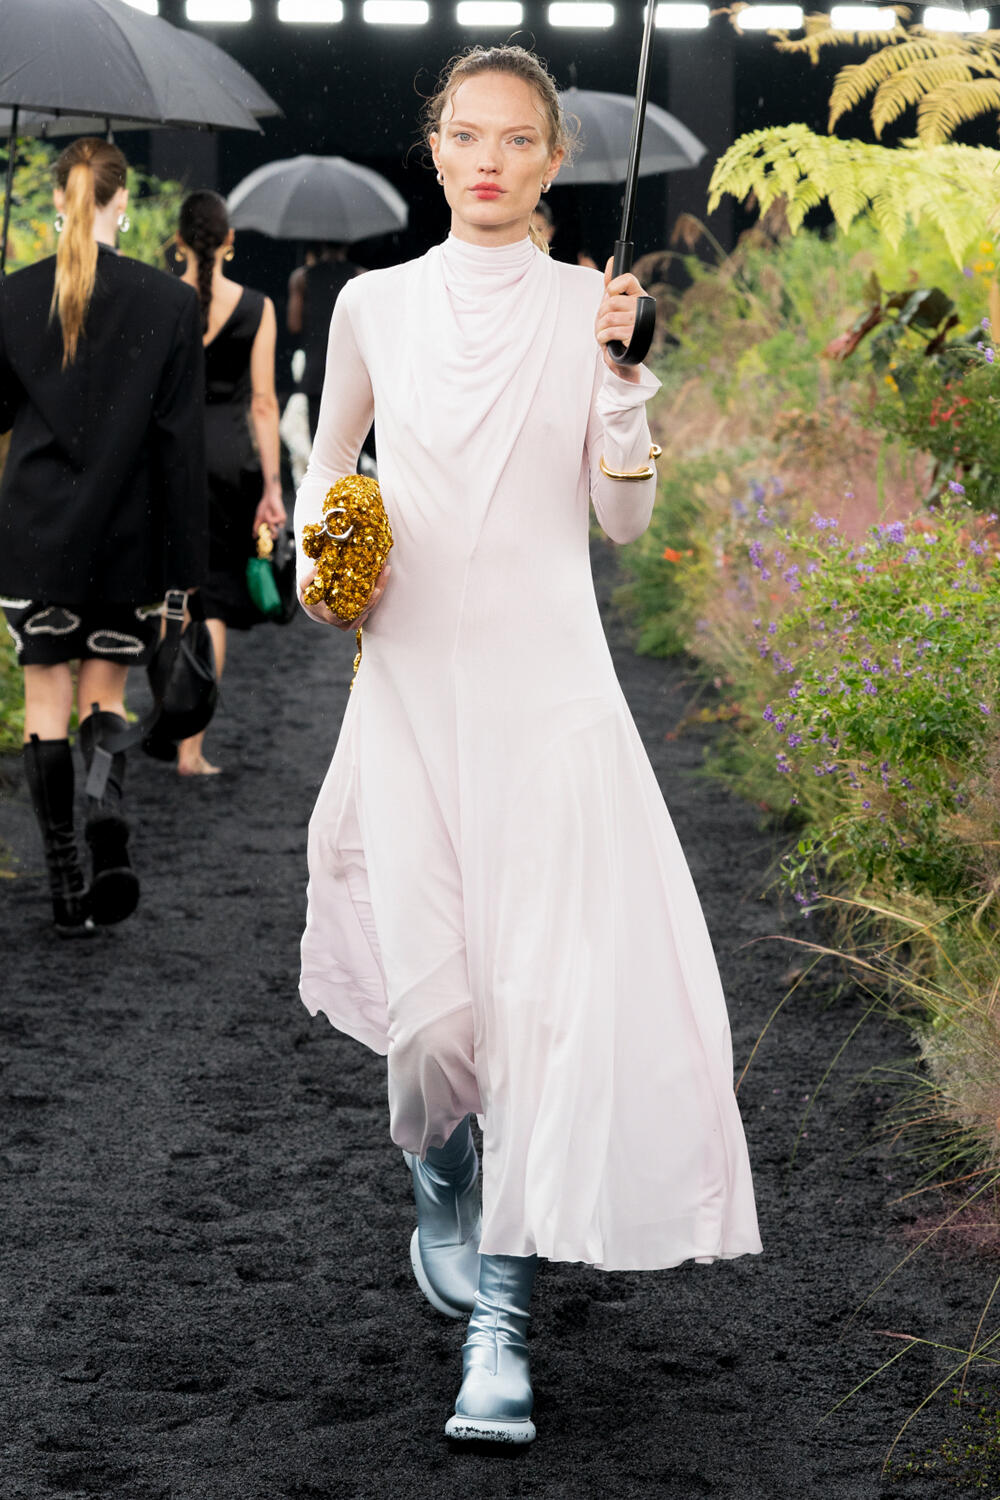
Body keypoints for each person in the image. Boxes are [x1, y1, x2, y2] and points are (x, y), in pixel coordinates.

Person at [294, 46, 761, 1444]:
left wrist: (622, 378)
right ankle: (441, 1171)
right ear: (434, 148)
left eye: (516, 141)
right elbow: (328, 463)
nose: (488, 160)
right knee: (436, 1025)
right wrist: (330, 551)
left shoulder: (592, 310)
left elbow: (623, 524)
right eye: (466, 135)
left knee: (543, 1016)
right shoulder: (374, 305)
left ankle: (499, 1331)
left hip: (553, 705)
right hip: (410, 692)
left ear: (553, 161)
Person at [0, 137, 207, 937]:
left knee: (44, 705)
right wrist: (183, 574)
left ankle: (64, 890)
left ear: (61, 200)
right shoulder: (169, 303)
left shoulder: (16, 296)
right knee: (105, 699)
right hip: (127, 541)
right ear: (121, 201)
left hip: (35, 538)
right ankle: (104, 813)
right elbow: (178, 449)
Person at [173, 191, 286, 776]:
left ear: (178, 242)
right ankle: (191, 748)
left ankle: (167, 716)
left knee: (176, 595)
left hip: (170, 457)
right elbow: (264, 403)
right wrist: (272, 486)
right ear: (230, 242)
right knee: (213, 599)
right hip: (229, 461)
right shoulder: (257, 307)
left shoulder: (159, 301)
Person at [287, 243, 365, 444]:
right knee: (350, 447)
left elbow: (294, 325)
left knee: (319, 445)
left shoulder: (302, 278)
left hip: (316, 370)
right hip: (351, 370)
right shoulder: (361, 277)